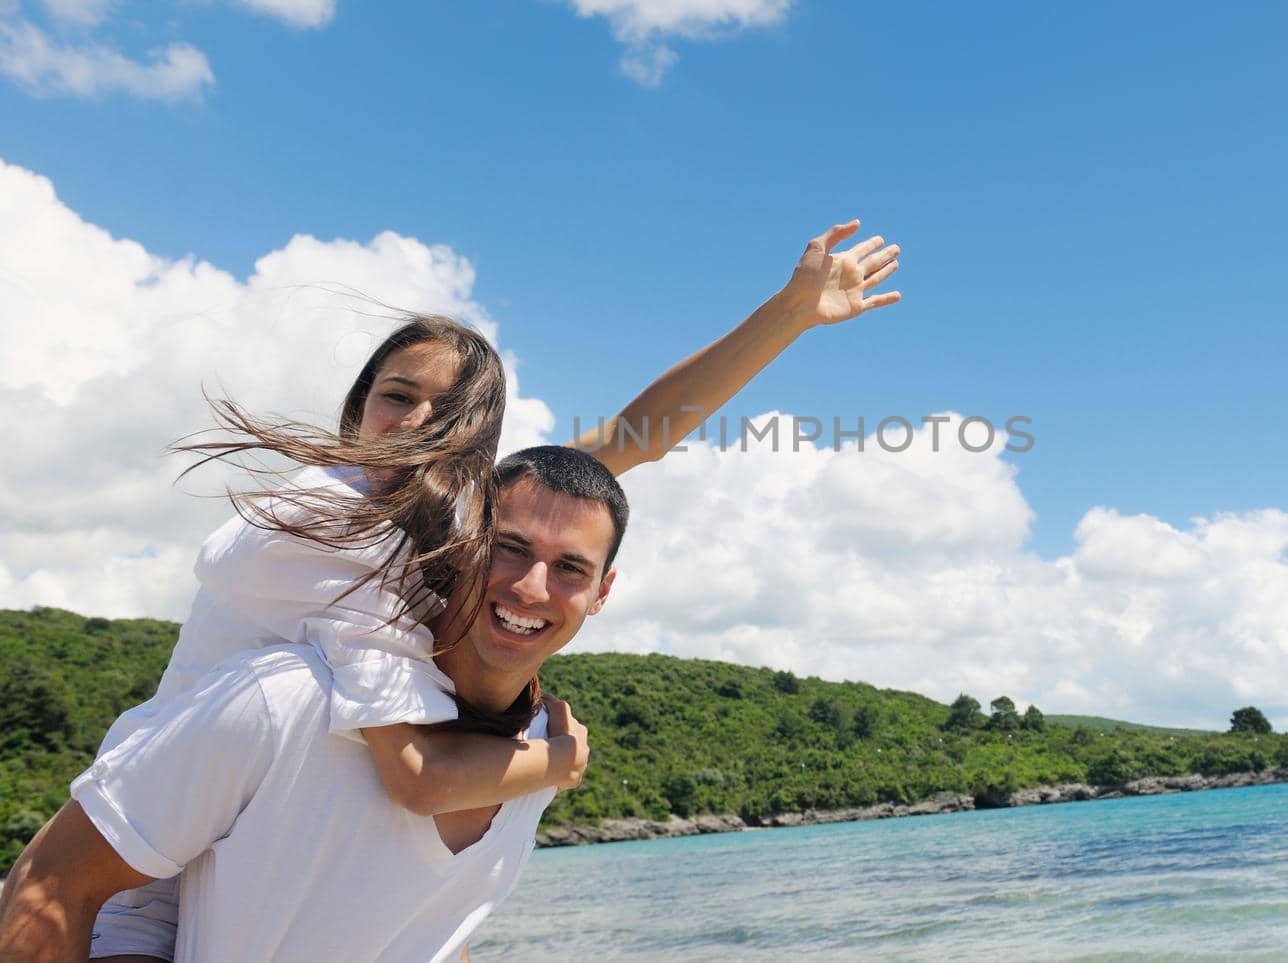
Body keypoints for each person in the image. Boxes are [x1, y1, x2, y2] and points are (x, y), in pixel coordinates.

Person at [78, 221, 904, 960]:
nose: (420, 421)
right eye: (397, 396)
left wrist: (788, 316)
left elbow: (631, 438)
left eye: (455, 413)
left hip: (257, 843)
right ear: (356, 410)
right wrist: (560, 759)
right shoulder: (326, 523)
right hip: (144, 869)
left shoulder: (450, 518)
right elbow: (417, 777)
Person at [0, 447, 629, 962]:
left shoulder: (542, 752)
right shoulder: (286, 698)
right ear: (464, 544)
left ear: (602, 593)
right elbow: (51, 885)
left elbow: (433, 924)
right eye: (510, 547)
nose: (530, 586)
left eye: (571, 568)